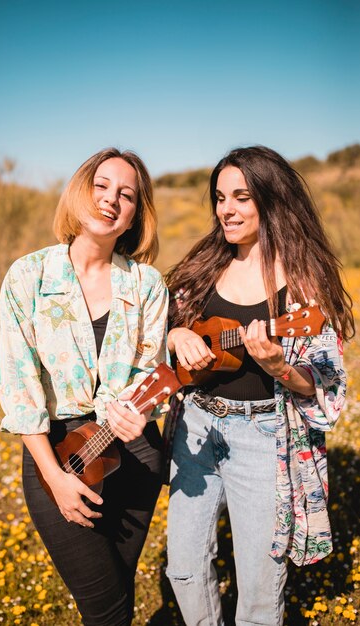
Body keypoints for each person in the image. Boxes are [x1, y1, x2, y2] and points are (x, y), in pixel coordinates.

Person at [164, 145, 353, 626]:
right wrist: (177, 332)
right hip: (196, 429)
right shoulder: (204, 265)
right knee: (183, 570)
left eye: (241, 197)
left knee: (259, 590)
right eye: (220, 197)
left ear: (270, 201)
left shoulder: (304, 284)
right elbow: (159, 324)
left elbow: (325, 386)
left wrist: (279, 369)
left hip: (264, 438)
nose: (226, 209)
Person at [0, 148, 168, 626]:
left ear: (136, 214)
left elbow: (148, 375)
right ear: (79, 192)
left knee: (115, 596)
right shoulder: (28, 278)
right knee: (106, 607)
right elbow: (19, 386)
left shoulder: (148, 285)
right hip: (59, 457)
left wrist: (142, 412)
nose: (111, 200)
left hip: (133, 456)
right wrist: (55, 478)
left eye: (126, 195)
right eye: (101, 186)